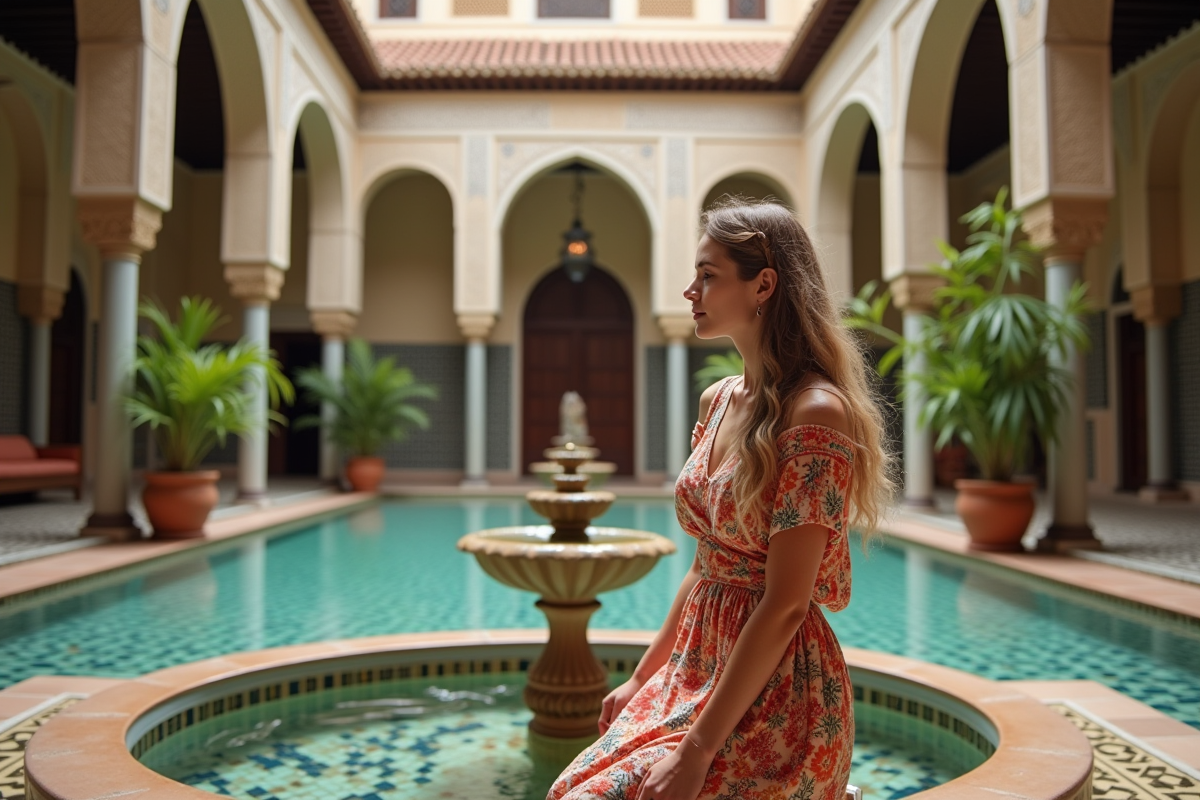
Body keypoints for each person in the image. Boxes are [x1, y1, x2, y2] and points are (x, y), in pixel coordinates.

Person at [548, 197, 894, 800]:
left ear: (763, 285)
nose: (690, 290)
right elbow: (708, 566)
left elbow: (787, 603)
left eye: (708, 275)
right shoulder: (718, 402)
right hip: (696, 664)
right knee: (573, 789)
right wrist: (640, 678)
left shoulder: (815, 413)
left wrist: (698, 750)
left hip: (780, 688)